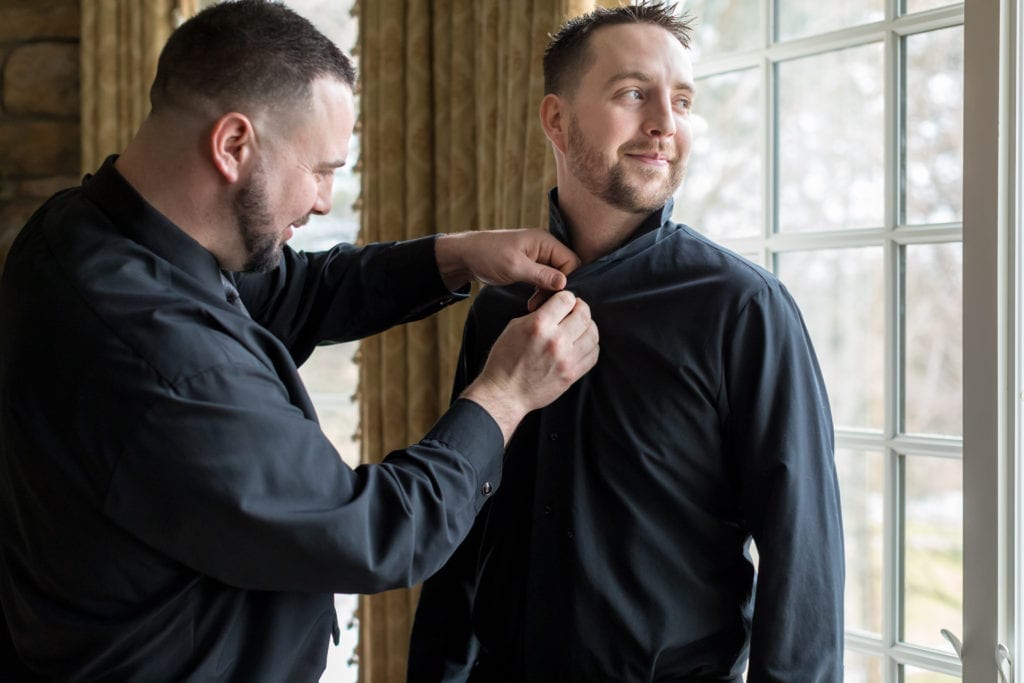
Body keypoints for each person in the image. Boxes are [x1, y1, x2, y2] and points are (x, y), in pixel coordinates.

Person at [0, 1, 601, 679]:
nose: (323, 200)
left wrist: (456, 255)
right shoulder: (163, 362)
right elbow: (375, 532)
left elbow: (296, 291)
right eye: (320, 169)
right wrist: (506, 394)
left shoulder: (75, 232)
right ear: (233, 145)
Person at [408, 4, 844, 682]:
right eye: (634, 93)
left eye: (683, 101)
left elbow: (804, 561)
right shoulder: (498, 310)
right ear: (556, 119)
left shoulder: (743, 308)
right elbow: (463, 530)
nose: (666, 124)